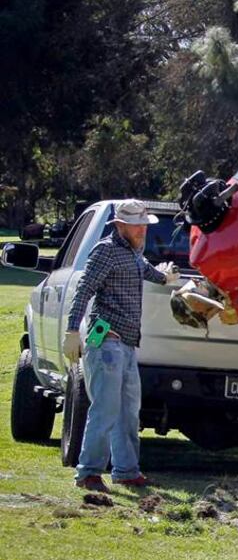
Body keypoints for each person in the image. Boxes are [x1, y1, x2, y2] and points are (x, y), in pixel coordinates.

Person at [63, 201, 180, 493]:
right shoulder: (105, 250)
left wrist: (165, 277)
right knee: (105, 409)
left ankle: (126, 471)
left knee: (129, 411)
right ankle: (88, 472)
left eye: (144, 224)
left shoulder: (132, 252)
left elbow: (145, 271)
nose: (144, 229)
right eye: (138, 224)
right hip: (106, 343)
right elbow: (84, 290)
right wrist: (71, 330)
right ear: (120, 226)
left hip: (126, 346)